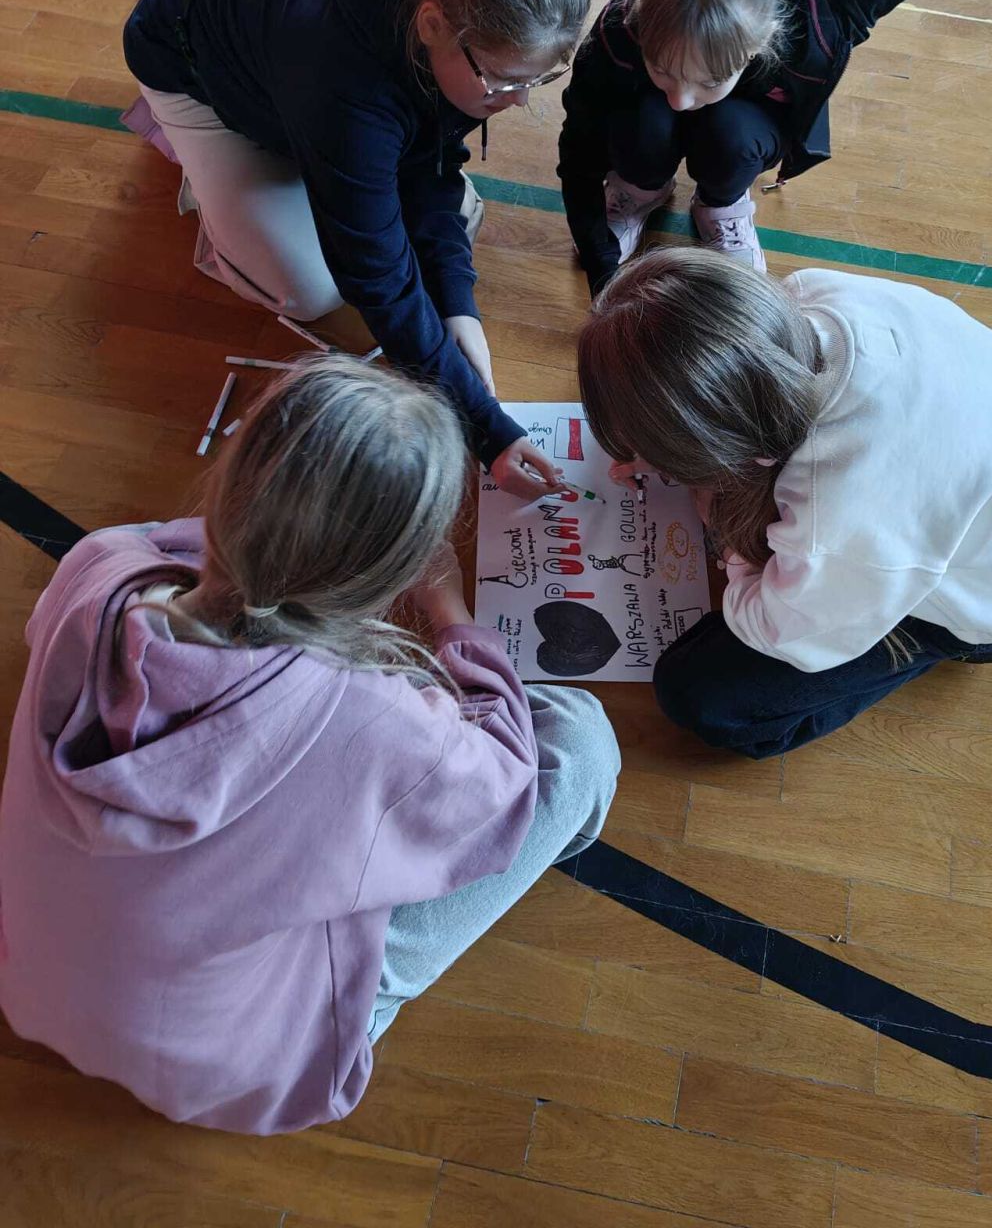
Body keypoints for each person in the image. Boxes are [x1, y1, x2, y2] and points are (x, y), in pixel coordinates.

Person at [0, 356, 619, 1134]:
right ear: (390, 578)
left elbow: (153, 569)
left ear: (229, 486)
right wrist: (451, 613)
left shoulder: (100, 565)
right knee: (580, 742)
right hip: (232, 1069)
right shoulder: (370, 717)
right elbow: (497, 788)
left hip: (33, 985)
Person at [122, 0, 591, 497]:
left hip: (293, 74)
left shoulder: (453, 9)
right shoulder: (345, 89)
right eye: (506, 80)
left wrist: (456, 302)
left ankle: (288, 167)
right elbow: (375, 276)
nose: (518, 99)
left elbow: (432, 157)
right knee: (310, 287)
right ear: (431, 26)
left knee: (439, 215)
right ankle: (201, 170)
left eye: (537, 80)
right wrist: (487, 429)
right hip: (184, 59)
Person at [577, 248, 992, 759]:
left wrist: (723, 532)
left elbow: (779, 630)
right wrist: (673, 446)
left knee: (700, 694)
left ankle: (974, 642)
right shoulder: (806, 293)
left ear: (731, 456)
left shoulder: (840, 520)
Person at [558, 0, 957, 291]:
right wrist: (601, 267)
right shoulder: (617, 32)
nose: (680, 100)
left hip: (745, 123)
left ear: (760, 44)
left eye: (710, 81)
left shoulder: (816, 26)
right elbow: (578, 155)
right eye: (662, 68)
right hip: (642, 111)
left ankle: (720, 203)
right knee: (645, 122)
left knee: (733, 137)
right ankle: (640, 188)